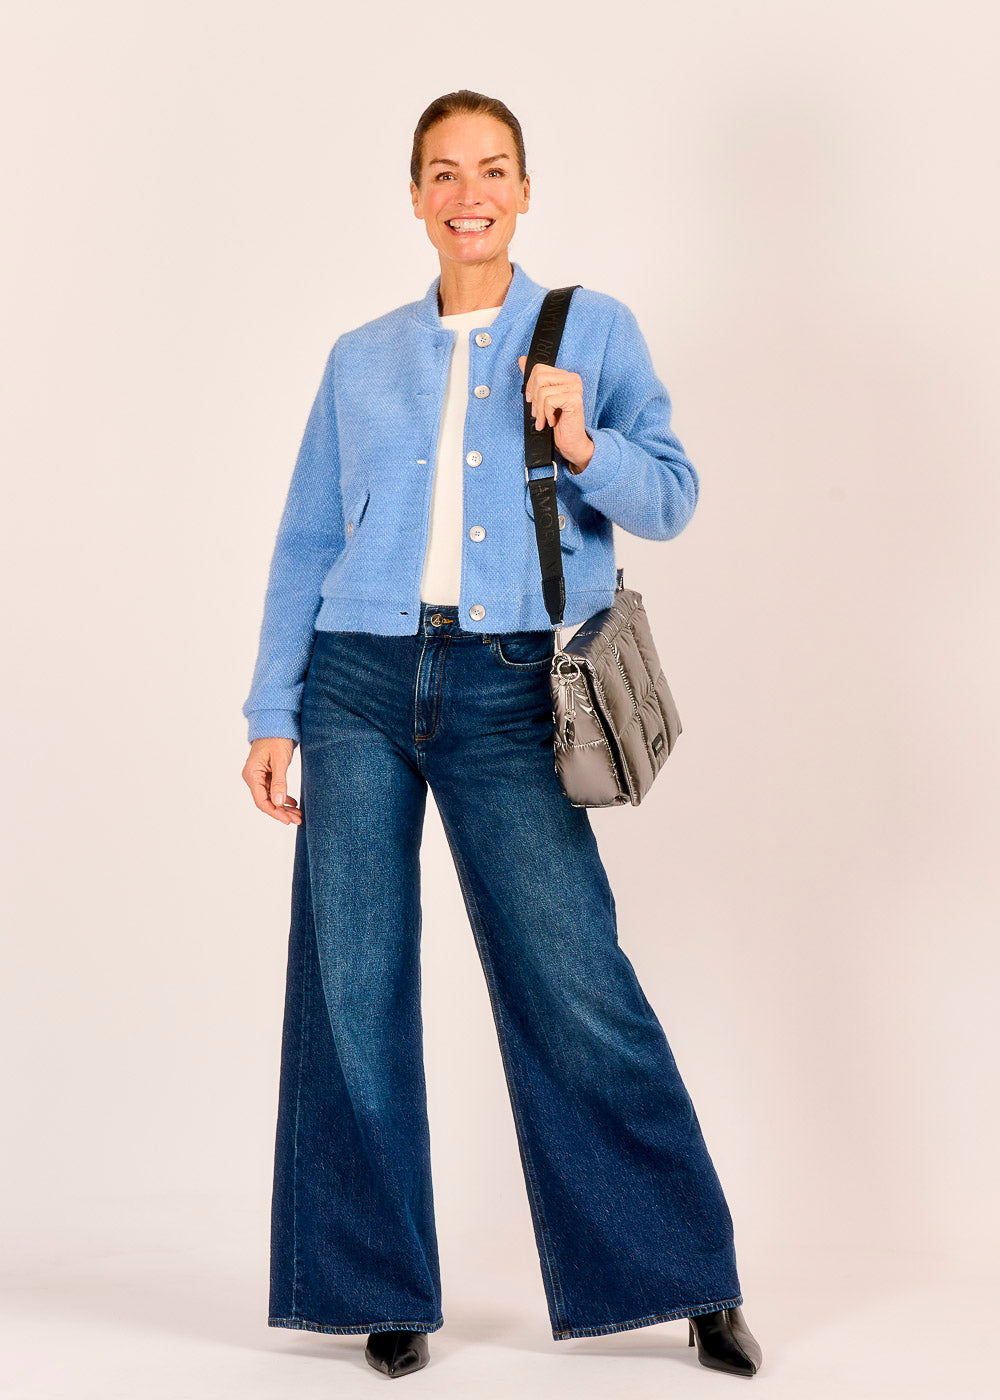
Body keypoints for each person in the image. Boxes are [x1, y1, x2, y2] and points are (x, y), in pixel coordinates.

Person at [240, 89, 763, 1382]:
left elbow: (672, 495)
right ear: (415, 197)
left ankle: (688, 1278)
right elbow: (308, 538)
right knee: (352, 983)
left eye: (491, 170)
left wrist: (583, 441)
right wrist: (271, 710)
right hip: (356, 681)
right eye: (443, 172)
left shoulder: (591, 329)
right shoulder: (360, 356)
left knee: (573, 978)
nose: (467, 193)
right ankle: (381, 1289)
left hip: (510, 687)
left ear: (524, 191)